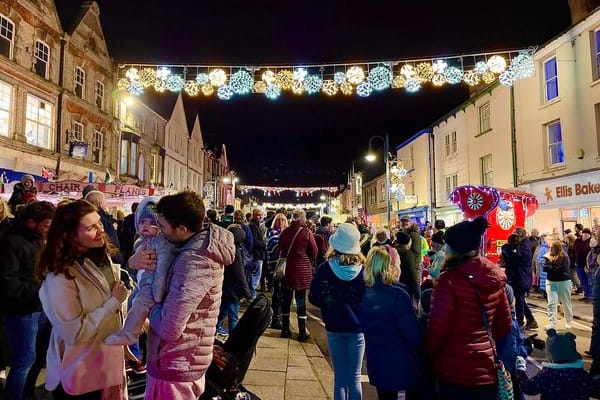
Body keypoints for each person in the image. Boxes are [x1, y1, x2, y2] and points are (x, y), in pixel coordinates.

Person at [135, 191, 235, 399]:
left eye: (162, 226)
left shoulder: (194, 261)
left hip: (175, 362)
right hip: (180, 357)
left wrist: (147, 304)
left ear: (182, 228)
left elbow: (169, 327)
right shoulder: (192, 248)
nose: (159, 232)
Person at [37, 199, 127, 399]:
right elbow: (73, 333)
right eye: (91, 227)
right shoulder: (60, 276)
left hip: (106, 368)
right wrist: (113, 303)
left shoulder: (100, 257)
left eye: (100, 224)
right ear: (70, 235)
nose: (100, 230)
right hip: (80, 374)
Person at [425, 217, 512, 400]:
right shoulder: (495, 278)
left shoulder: (448, 281)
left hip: (454, 370)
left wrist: (431, 356)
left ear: (454, 249)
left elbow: (437, 331)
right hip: (486, 367)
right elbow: (504, 324)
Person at [0, 201, 55, 400]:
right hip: (23, 311)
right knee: (24, 360)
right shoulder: (12, 242)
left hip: (40, 307)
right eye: (47, 225)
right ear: (32, 222)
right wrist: (40, 288)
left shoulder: (38, 239)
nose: (49, 230)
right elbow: (8, 282)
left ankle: (26, 393)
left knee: (37, 357)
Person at [105, 197, 175, 346]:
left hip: (153, 285)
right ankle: (132, 338)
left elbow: (162, 269)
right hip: (143, 282)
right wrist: (133, 262)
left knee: (139, 304)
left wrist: (157, 290)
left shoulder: (163, 243)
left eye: (152, 223)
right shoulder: (141, 241)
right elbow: (135, 263)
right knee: (133, 303)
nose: (146, 226)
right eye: (142, 222)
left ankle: (130, 335)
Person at [309, 223, 366, 400]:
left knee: (340, 377)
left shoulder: (325, 269)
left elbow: (313, 297)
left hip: (333, 326)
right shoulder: (364, 272)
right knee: (354, 376)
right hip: (357, 329)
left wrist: (329, 304)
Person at [359, 246, 421, 400]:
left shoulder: (364, 294)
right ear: (390, 267)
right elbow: (413, 336)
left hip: (377, 362)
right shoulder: (398, 296)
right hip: (400, 364)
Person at [516, 329, 599, 399]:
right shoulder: (582, 376)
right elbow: (595, 390)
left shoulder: (546, 376)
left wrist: (520, 371)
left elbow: (528, 388)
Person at [278, 208, 317, 341]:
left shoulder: (285, 232)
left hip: (287, 269)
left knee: (286, 300)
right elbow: (314, 250)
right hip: (302, 271)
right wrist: (307, 260)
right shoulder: (306, 232)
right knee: (301, 301)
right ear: (301, 218)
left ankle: (285, 329)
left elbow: (281, 247)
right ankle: (301, 332)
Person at [216, 224, 251, 336]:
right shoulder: (236, 251)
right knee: (233, 316)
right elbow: (239, 273)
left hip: (224, 286)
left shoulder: (225, 247)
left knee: (222, 312)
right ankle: (234, 340)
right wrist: (247, 291)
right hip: (233, 290)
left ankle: (214, 332)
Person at [84, 190, 124, 265]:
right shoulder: (102, 219)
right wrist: (117, 257)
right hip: (105, 259)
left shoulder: (85, 218)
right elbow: (110, 242)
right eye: (104, 202)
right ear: (100, 203)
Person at [542, 240, 574, 330]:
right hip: (551, 282)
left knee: (566, 302)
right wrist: (553, 266)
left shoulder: (565, 257)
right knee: (551, 303)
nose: (550, 249)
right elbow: (545, 268)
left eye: (552, 248)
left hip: (564, 282)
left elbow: (560, 269)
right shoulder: (547, 256)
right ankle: (552, 323)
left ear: (557, 249)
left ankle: (568, 321)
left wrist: (551, 266)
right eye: (550, 247)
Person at [266, 213, 288, 329]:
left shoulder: (285, 234)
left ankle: (278, 317)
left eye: (283, 220)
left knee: (281, 294)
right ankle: (276, 318)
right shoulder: (273, 234)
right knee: (278, 294)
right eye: (278, 220)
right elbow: (274, 249)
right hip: (276, 267)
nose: (280, 222)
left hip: (282, 267)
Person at [395, 231, 420, 306]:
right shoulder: (408, 254)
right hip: (406, 288)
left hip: (395, 286)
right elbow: (412, 274)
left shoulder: (393, 251)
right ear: (408, 243)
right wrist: (417, 294)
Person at [248, 208, 266, 299]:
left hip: (257, 254)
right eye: (258, 215)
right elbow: (254, 241)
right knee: (255, 275)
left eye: (261, 215)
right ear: (254, 215)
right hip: (257, 254)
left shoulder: (255, 225)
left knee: (255, 275)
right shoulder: (253, 226)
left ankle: (251, 293)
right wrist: (264, 244)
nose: (260, 216)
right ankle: (252, 294)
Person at [574, 227, 593, 301]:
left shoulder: (590, 241)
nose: (585, 235)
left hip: (587, 265)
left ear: (589, 235)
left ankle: (590, 296)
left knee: (589, 280)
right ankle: (586, 294)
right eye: (584, 233)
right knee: (582, 280)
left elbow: (586, 251)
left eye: (587, 234)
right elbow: (576, 249)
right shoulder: (578, 241)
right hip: (579, 263)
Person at [118, 202, 138, 267]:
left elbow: (122, 234)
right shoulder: (140, 220)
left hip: (127, 247)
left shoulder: (127, 219)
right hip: (136, 246)